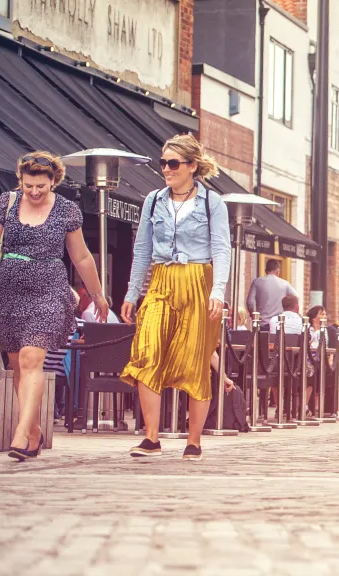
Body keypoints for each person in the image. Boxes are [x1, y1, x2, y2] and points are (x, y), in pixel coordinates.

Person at [0, 152, 109, 461]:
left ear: (53, 183)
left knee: (33, 359)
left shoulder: (67, 210)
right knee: (18, 366)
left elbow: (82, 256)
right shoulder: (5, 204)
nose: (33, 192)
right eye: (28, 185)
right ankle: (34, 433)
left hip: (49, 290)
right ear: (21, 180)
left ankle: (19, 434)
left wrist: (98, 293)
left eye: (41, 187)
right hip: (8, 293)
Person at [120, 134, 230, 463]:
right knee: (146, 352)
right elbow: (142, 250)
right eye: (163, 162)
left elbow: (222, 248)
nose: (166, 169)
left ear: (192, 166)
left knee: (196, 361)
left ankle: (193, 441)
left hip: (198, 279)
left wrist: (218, 290)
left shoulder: (212, 203)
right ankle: (151, 437)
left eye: (173, 163)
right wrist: (131, 292)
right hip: (161, 280)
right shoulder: (153, 200)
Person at [246, 258, 297, 330]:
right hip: (278, 323)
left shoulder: (257, 282)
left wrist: (253, 315)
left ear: (265, 271)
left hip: (262, 323)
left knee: (261, 341)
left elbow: (250, 302)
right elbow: (295, 298)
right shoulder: (285, 284)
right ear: (278, 271)